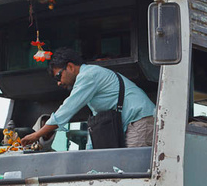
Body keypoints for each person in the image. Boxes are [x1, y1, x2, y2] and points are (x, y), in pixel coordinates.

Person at [20, 48, 156, 149]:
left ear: (70, 67)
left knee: (131, 167)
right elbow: (97, 123)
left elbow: (67, 109)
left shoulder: (88, 75)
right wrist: (88, 153)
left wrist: (37, 135)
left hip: (140, 119)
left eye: (58, 76)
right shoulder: (90, 86)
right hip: (133, 122)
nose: (59, 83)